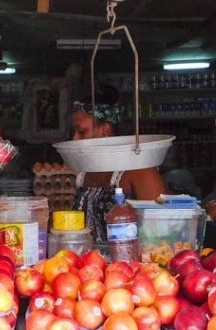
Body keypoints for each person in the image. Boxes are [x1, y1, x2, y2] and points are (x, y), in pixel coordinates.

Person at [71, 102, 167, 243]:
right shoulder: (85, 173)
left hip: (127, 256)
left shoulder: (140, 170)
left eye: (81, 131)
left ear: (105, 130)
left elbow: (161, 233)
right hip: (86, 257)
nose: (75, 138)